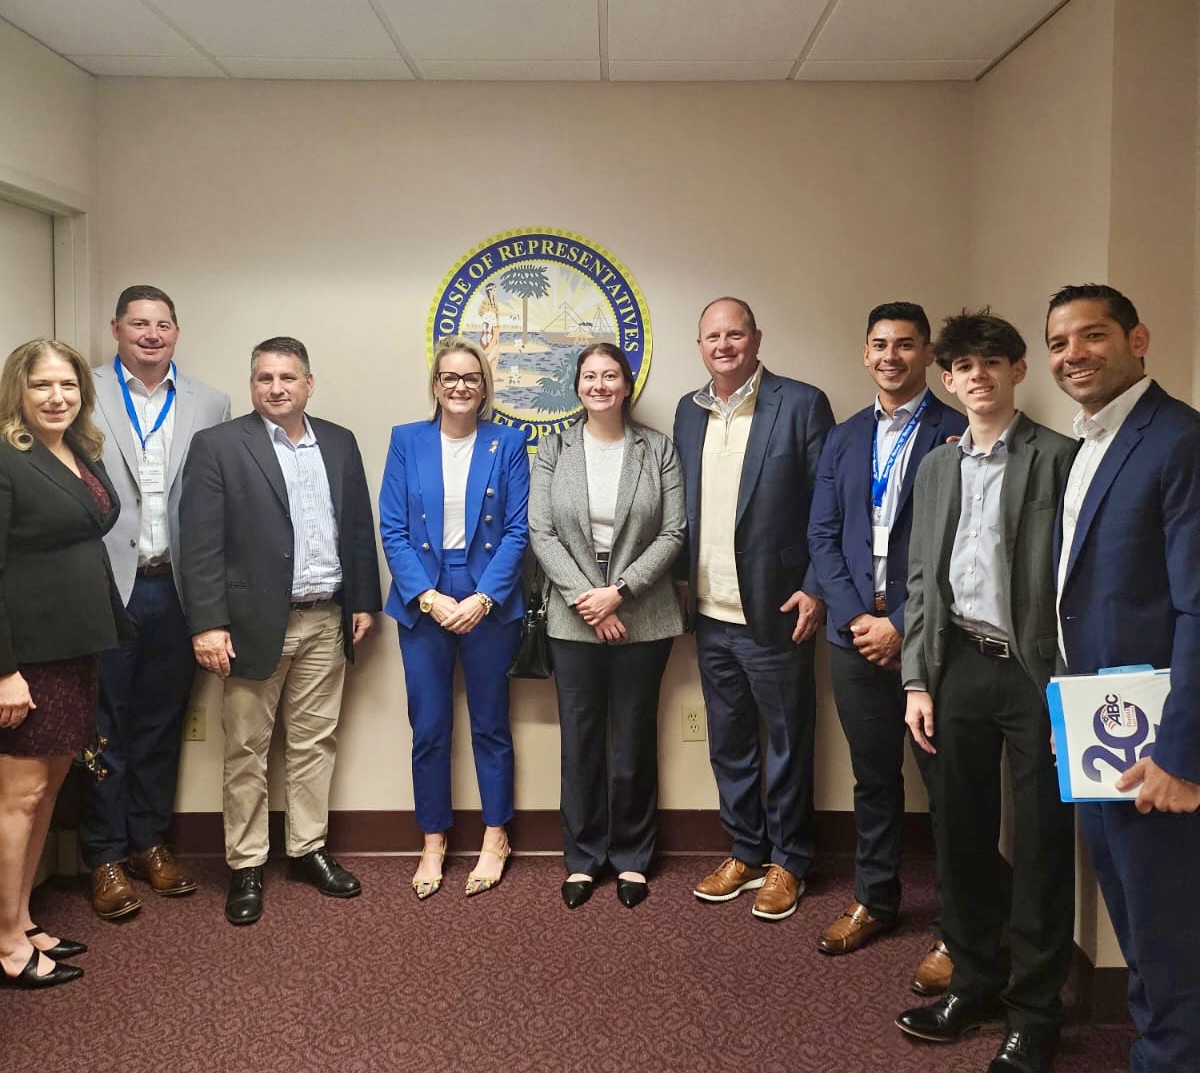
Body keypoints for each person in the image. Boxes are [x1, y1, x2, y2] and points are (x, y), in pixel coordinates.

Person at [895, 311, 1075, 1073]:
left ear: (1017, 370)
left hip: (1035, 673)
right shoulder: (937, 466)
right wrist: (916, 678)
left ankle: (1035, 1012)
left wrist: (1069, 694)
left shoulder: (1059, 457)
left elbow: (1075, 581)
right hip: (958, 666)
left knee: (1040, 841)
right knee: (960, 834)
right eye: (963, 365)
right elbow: (919, 582)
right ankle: (973, 984)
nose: (977, 375)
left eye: (991, 362)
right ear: (948, 378)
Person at [1046, 284, 1200, 1073]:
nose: (1073, 354)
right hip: (1102, 728)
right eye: (1059, 342)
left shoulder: (1178, 440)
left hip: (1157, 747)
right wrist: (1066, 717)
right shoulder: (1089, 444)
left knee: (1169, 925)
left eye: (1093, 335)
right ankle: (1159, 1046)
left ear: (1138, 339)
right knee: (1136, 916)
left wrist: (1181, 754)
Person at [179, 337, 380, 925]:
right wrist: (208, 624)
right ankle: (246, 863)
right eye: (264, 378)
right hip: (249, 625)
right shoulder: (218, 445)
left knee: (315, 742)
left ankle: (307, 849)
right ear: (252, 385)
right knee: (246, 748)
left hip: (326, 618)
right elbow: (200, 543)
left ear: (308, 384)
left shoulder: (338, 442)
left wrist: (363, 601)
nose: (276, 388)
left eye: (287, 377)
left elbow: (356, 527)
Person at [808, 302, 965, 987]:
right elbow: (821, 535)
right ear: (865, 353)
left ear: (927, 354)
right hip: (854, 639)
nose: (891, 356)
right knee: (873, 776)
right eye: (880, 344)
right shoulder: (844, 438)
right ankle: (874, 898)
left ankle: (958, 930)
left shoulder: (957, 431)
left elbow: (963, 542)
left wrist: (901, 621)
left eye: (905, 344)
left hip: (929, 639)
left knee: (947, 786)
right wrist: (854, 619)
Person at [673, 297, 834, 921]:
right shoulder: (689, 412)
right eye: (712, 336)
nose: (724, 346)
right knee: (729, 742)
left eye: (735, 335)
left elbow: (828, 506)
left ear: (756, 339)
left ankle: (789, 861)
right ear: (700, 345)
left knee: (787, 743)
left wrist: (816, 586)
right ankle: (745, 850)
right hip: (710, 611)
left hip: (778, 608)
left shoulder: (801, 403)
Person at [82, 285, 229, 920]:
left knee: (162, 721)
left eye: (162, 324)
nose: (151, 334)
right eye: (138, 323)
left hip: (175, 587)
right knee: (103, 724)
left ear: (176, 332)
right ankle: (104, 855)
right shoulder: (81, 390)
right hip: (103, 586)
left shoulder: (210, 403)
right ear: (116, 328)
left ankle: (149, 841)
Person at [528, 343, 685, 910]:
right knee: (581, 741)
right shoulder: (554, 448)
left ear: (626, 385)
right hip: (573, 620)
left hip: (643, 614)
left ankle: (633, 857)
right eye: (589, 376)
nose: (599, 385)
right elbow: (541, 532)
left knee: (634, 740)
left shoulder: (657, 448)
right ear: (577, 386)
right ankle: (583, 857)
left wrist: (618, 594)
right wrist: (587, 600)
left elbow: (673, 532)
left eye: (610, 375)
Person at [379, 336, 528, 899]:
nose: (460, 386)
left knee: (490, 724)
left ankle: (495, 836)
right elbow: (392, 528)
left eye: (470, 378)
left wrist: (483, 598)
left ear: (484, 387)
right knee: (429, 727)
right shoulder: (406, 440)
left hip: (488, 597)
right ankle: (433, 839)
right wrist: (427, 596)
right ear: (435, 385)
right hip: (424, 599)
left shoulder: (507, 442)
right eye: (450, 377)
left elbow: (518, 530)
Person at [0, 340, 124, 988]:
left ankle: (22, 920)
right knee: (18, 797)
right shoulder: (6, 458)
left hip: (77, 648)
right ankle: (4, 944)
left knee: (47, 791)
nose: (57, 397)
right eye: (42, 385)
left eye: (68, 385)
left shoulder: (79, 448)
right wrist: (4, 671)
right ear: (17, 391)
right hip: (29, 658)